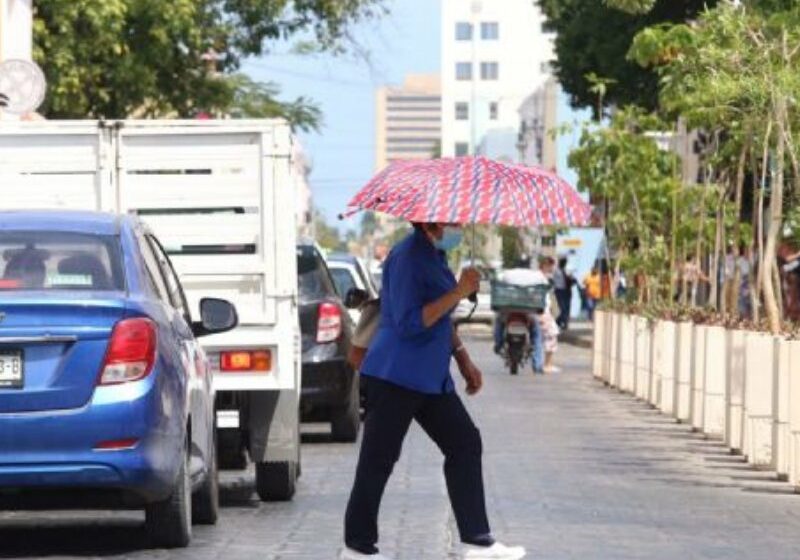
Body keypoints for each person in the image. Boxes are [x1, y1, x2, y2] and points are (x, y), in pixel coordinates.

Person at [341, 222, 525, 560]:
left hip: (429, 377)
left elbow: (439, 318)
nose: (457, 225)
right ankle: (357, 547)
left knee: (465, 443)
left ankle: (477, 539)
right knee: (378, 460)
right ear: (430, 221)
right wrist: (458, 291)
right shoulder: (408, 258)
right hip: (396, 375)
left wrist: (463, 358)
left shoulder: (433, 255)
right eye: (451, 220)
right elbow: (411, 321)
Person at [493, 256, 546, 374]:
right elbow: (545, 287)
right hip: (528, 312)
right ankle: (537, 365)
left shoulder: (507, 274)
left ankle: (498, 343)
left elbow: (499, 284)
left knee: (499, 322)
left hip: (508, 310)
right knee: (537, 335)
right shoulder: (536, 275)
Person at [552, 256, 574, 331]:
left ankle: (563, 323)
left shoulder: (566, 270)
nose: (564, 264)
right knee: (562, 308)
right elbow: (552, 280)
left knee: (566, 308)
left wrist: (570, 278)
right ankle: (558, 322)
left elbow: (571, 279)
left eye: (565, 262)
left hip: (567, 291)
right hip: (559, 291)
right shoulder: (556, 270)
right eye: (563, 262)